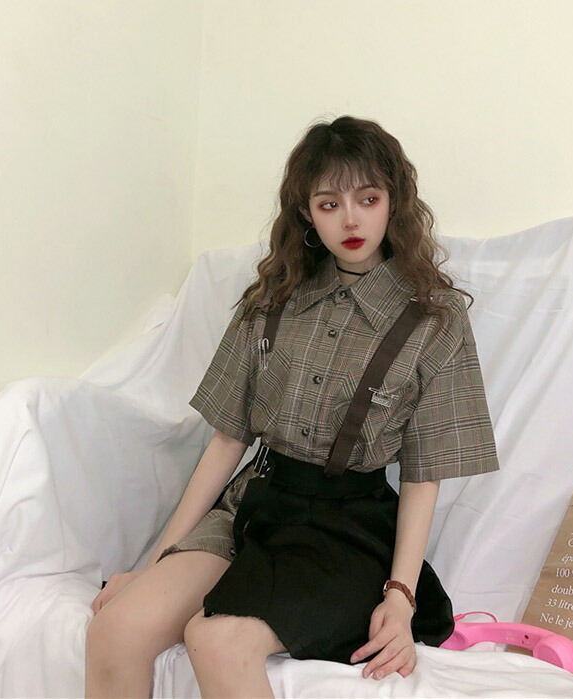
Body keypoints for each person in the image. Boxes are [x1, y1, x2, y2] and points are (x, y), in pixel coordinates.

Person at [85, 115, 499, 698]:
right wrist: (156, 563)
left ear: (394, 202)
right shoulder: (272, 300)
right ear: (306, 212)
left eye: (368, 199)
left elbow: (423, 475)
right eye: (329, 204)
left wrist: (401, 598)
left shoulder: (435, 319)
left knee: (216, 640)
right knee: (116, 629)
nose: (350, 220)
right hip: (255, 507)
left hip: (346, 530)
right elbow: (227, 440)